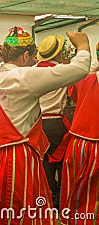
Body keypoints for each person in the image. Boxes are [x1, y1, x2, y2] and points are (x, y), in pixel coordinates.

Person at [0, 26, 90, 224]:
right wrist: (83, 45)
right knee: (16, 209)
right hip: (13, 156)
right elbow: (79, 69)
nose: (35, 63)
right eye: (33, 58)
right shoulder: (24, 77)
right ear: (25, 56)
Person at [61, 56, 99, 225]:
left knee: (77, 186)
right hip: (86, 138)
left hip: (81, 139)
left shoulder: (83, 77)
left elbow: (74, 97)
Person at [36, 35, 71, 210]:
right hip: (56, 122)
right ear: (58, 54)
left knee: (44, 162)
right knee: (61, 163)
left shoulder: (33, 70)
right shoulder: (62, 70)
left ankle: (50, 197)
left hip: (38, 123)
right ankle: (61, 201)